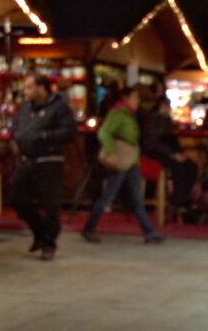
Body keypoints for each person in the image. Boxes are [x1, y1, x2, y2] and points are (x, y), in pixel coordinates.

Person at [82, 86, 166, 244]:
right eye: (135, 97)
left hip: (130, 160)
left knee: (136, 197)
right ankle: (89, 227)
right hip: (121, 159)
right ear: (125, 98)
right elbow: (104, 132)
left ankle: (149, 231)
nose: (137, 101)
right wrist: (111, 152)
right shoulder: (119, 114)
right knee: (109, 196)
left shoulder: (130, 114)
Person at [11, 72, 77, 261]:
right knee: (17, 198)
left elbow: (69, 132)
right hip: (26, 160)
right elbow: (17, 126)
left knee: (50, 205)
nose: (25, 91)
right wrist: (19, 137)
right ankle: (39, 232)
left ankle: (49, 243)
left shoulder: (59, 108)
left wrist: (44, 136)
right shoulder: (25, 108)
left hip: (49, 161)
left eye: (29, 87)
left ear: (42, 88)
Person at [141, 97, 198, 214]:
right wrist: (172, 154)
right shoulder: (151, 120)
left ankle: (181, 198)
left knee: (191, 166)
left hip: (167, 151)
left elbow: (173, 140)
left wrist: (179, 153)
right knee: (177, 167)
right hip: (154, 151)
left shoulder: (167, 120)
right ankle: (178, 201)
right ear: (162, 106)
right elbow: (154, 143)